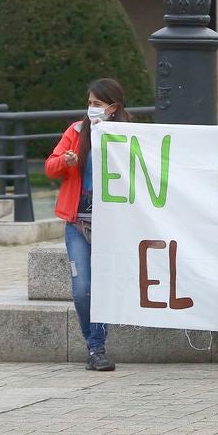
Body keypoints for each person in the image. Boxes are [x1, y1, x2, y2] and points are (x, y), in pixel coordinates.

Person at [45, 78, 133, 372]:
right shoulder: (76, 131)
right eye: (89, 103)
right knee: (81, 288)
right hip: (77, 223)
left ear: (113, 108)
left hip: (111, 225)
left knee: (103, 286)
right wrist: (66, 162)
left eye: (97, 104)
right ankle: (93, 344)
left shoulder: (126, 134)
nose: (91, 108)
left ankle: (97, 347)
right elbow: (50, 165)